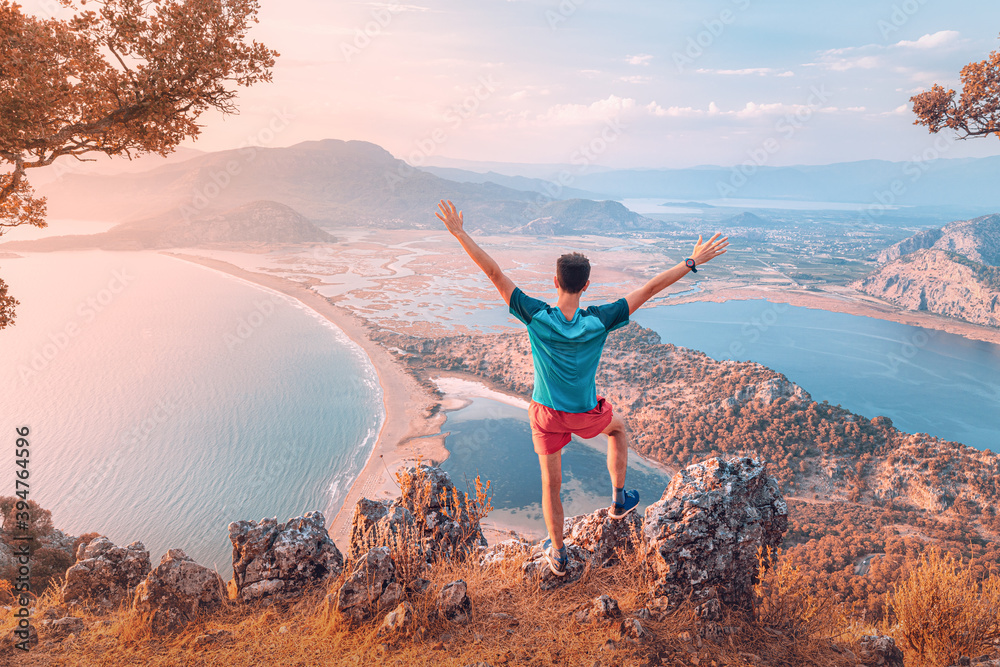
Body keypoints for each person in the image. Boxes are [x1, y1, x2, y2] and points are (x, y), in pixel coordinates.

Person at [436, 199, 728, 576]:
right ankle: (619, 500)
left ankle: (557, 554)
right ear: (587, 285)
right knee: (618, 427)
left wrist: (460, 233)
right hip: (587, 414)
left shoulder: (535, 315)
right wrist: (691, 261)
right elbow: (652, 287)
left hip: (546, 416)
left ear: (555, 282)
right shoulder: (601, 320)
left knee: (550, 485)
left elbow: (493, 272)